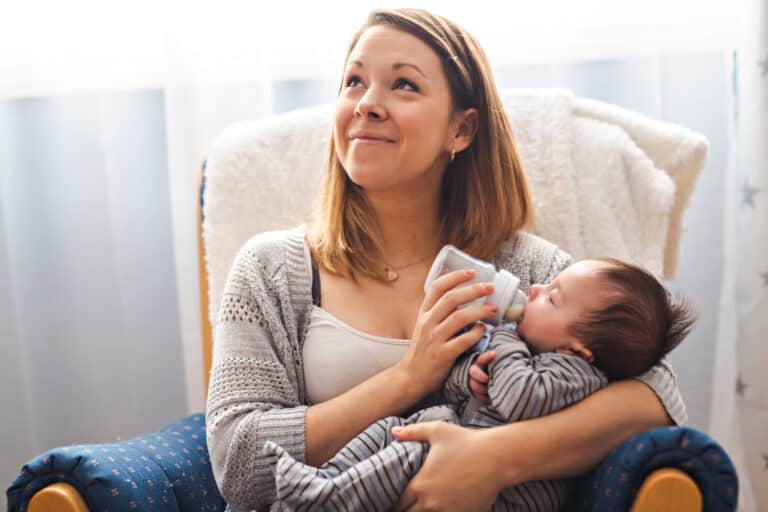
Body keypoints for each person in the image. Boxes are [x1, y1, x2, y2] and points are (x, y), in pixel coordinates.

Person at [205, 8, 687, 512]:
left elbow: (657, 397)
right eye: (353, 81)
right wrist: (410, 376)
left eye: (404, 85)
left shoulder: (531, 271)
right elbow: (238, 463)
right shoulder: (271, 268)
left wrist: (490, 458)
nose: (367, 104)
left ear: (461, 129)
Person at [264, 258, 695, 511]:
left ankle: (331, 499)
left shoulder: (575, 372)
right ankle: (323, 480)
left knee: (414, 447)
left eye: (553, 297)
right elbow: (475, 387)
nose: (537, 287)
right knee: (395, 427)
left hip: (511, 496)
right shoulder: (541, 346)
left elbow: (519, 395)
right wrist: (465, 377)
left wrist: (504, 334)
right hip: (456, 434)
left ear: (579, 348)